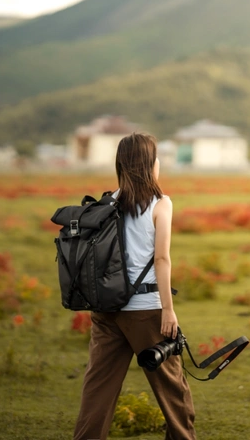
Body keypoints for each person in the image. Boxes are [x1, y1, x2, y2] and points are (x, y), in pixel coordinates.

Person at [73, 132, 196, 440]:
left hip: (106, 309)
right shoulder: (160, 204)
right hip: (146, 310)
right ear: (150, 165)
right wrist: (168, 309)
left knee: (98, 391)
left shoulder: (107, 202)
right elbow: (162, 259)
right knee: (173, 392)